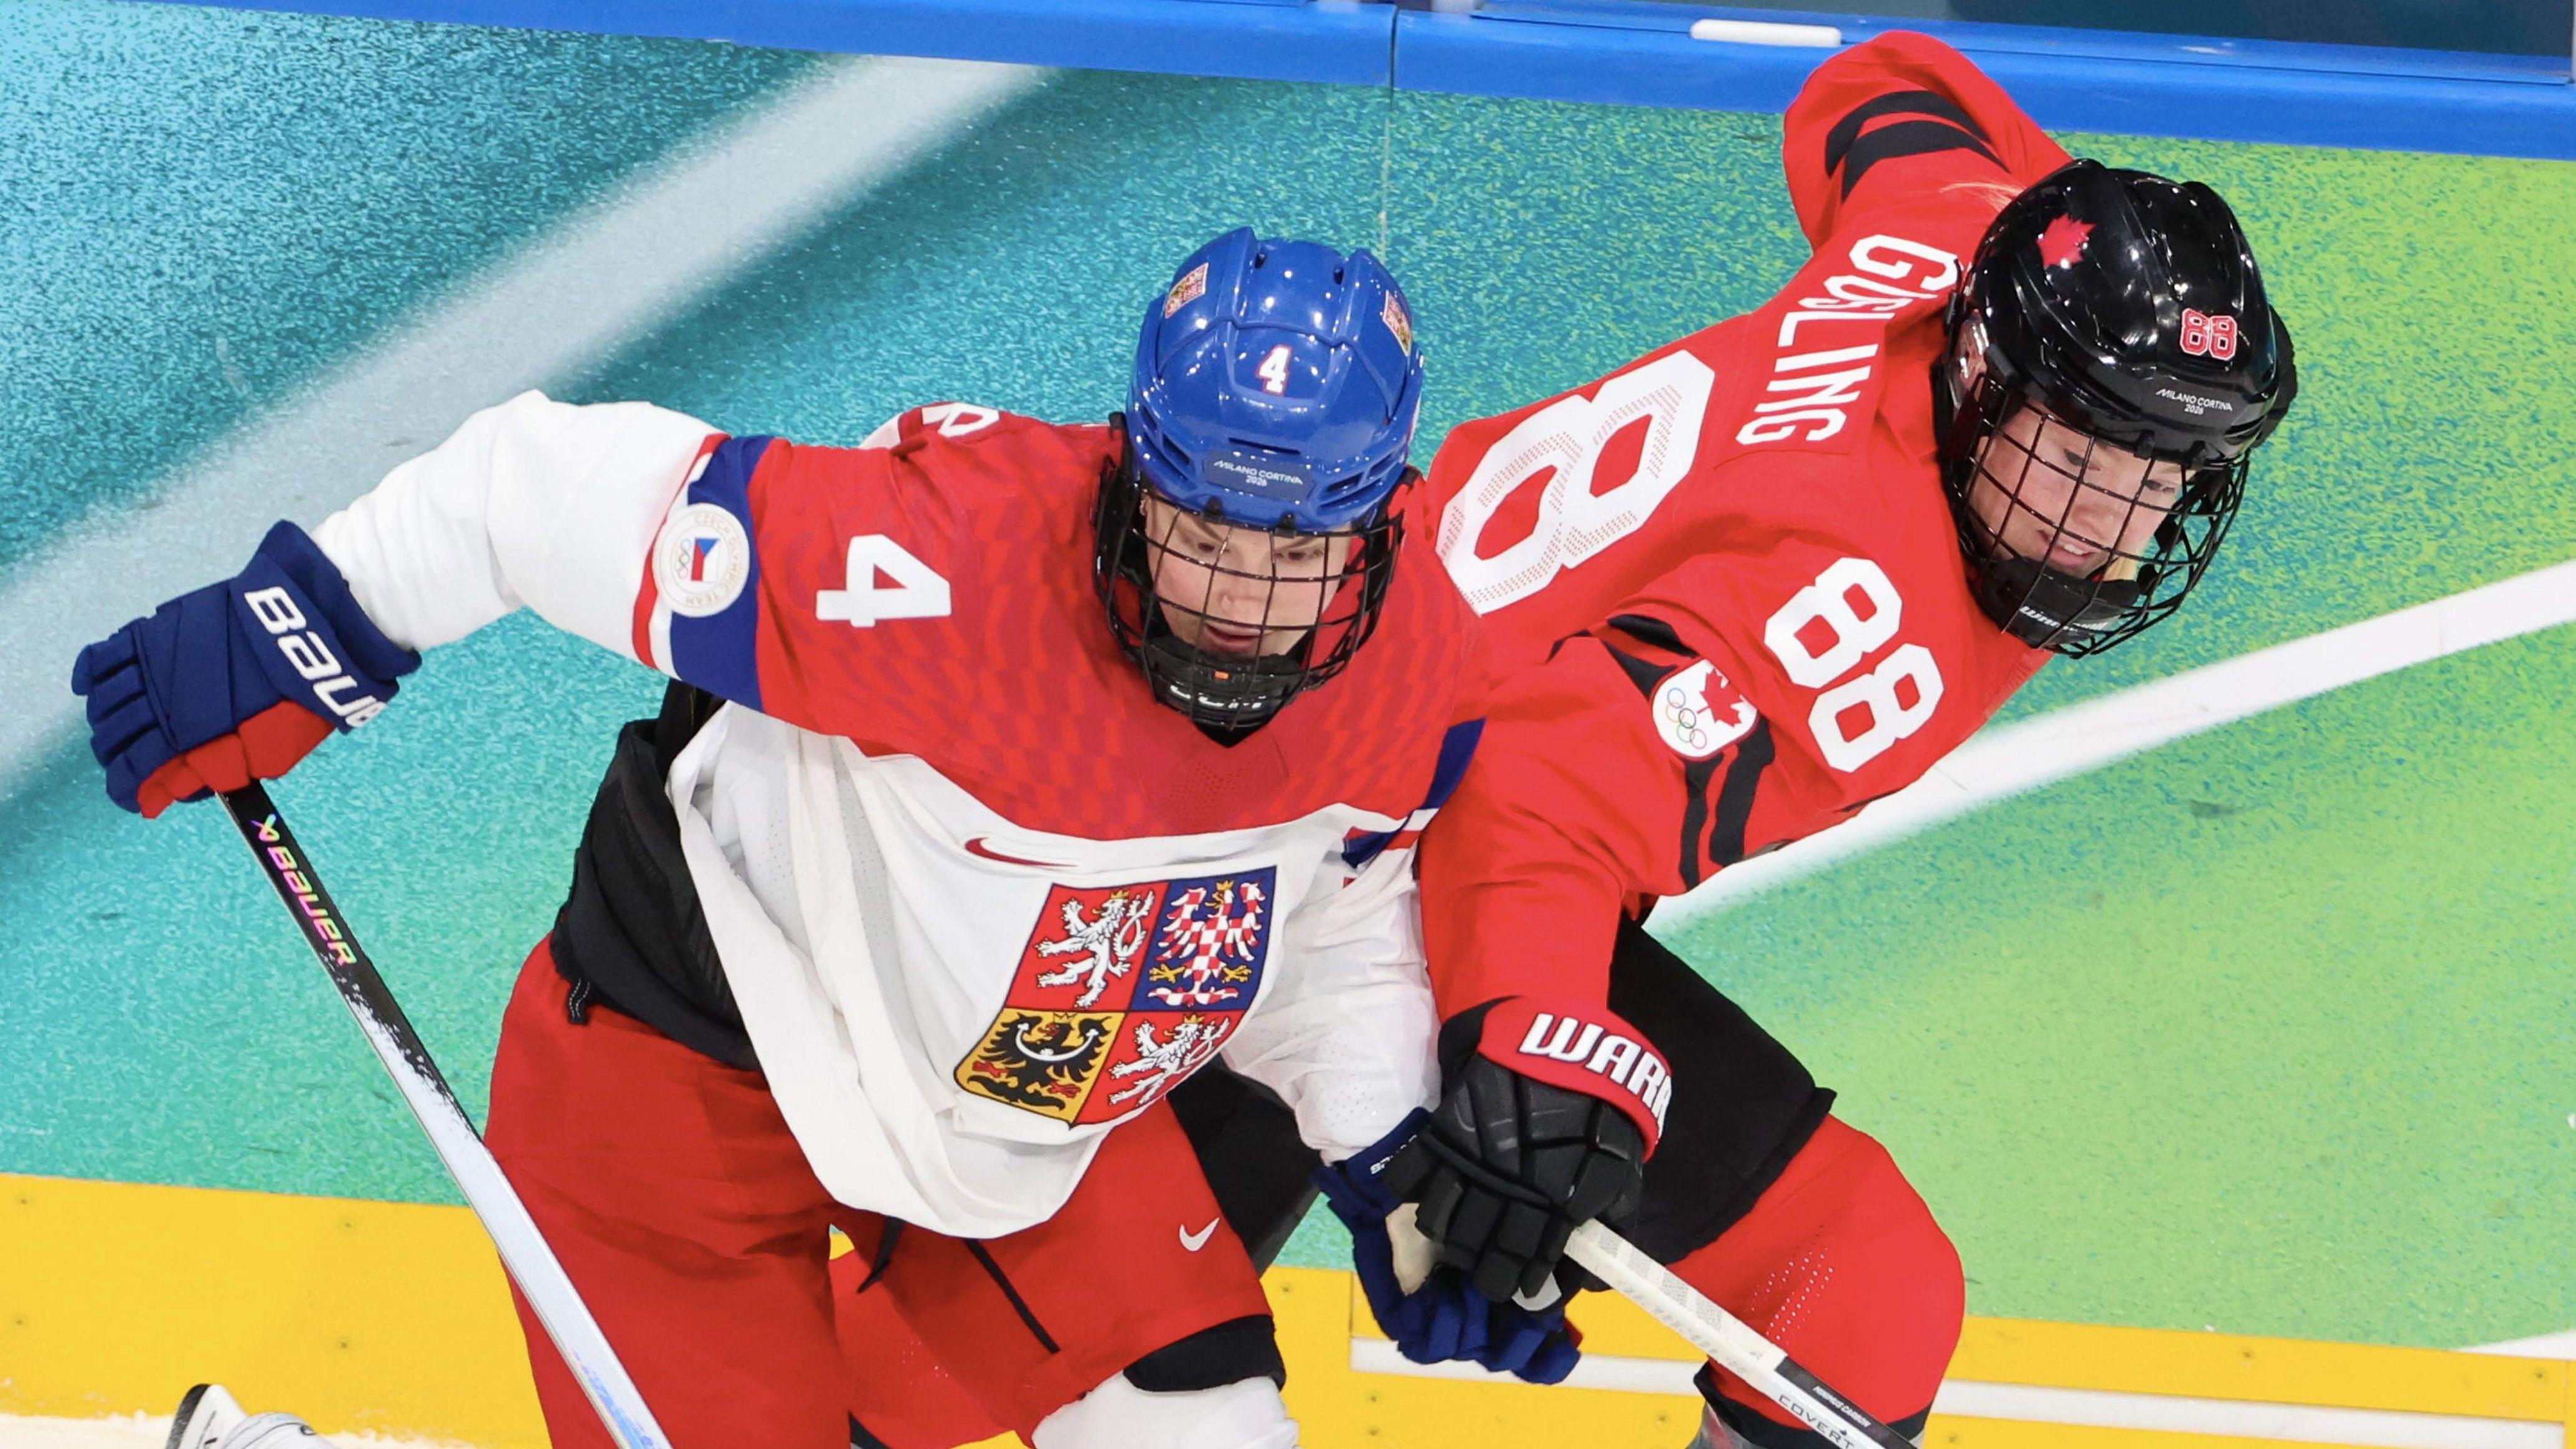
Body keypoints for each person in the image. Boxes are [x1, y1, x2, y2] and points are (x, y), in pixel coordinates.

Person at [75, 229, 1491, 1449]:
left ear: (1378, 524)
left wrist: (1380, 1136)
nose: (1236, 601)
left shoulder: (1416, 668)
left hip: (1011, 1107)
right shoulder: (943, 563)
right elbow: (526, 491)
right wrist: (305, 623)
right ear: (1134, 475)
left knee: (1205, 1426)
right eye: (1202, 533)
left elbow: (1329, 916)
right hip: (680, 1072)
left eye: (1296, 552)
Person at [1181, 32, 2300, 1448]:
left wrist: (2084, 242)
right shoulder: (1863, 623)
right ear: (1979, 376)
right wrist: (1521, 1047)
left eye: (2159, 473)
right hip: (1338, 827)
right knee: (1856, 1297)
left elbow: (1880, 89)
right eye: (2072, 457)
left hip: (1353, 707)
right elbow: (1531, 789)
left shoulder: (1945, 235)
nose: (2101, 528)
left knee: (1043, 1321)